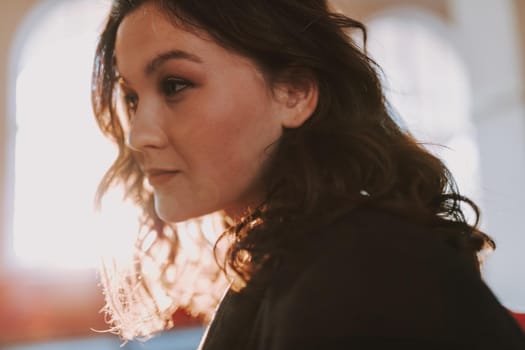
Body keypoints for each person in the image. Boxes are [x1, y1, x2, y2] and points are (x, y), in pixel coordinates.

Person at [91, 0, 525, 349]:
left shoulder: (359, 270)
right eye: (131, 98)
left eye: (175, 85)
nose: (138, 135)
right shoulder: (293, 253)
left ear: (294, 92)